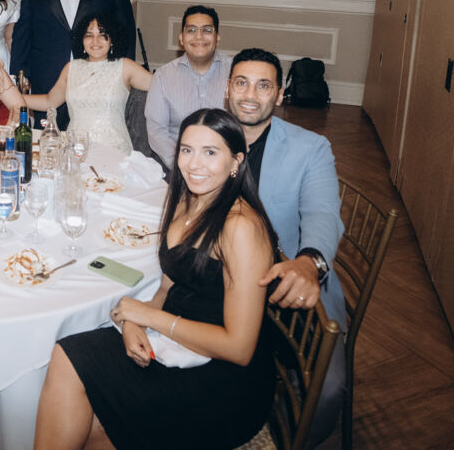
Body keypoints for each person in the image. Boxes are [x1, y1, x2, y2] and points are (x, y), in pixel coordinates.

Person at [34, 108, 278, 449]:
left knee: (87, 417)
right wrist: (134, 322)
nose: (194, 164)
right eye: (187, 150)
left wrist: (151, 319)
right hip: (176, 345)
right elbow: (166, 288)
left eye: (210, 152)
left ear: (236, 161)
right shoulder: (188, 200)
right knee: (67, 358)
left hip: (223, 381)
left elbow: (239, 349)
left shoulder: (241, 227)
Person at [227, 47, 347, 443]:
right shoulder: (209, 136)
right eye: (242, 83)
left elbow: (323, 214)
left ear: (280, 95)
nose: (250, 95)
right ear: (228, 88)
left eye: (264, 86)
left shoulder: (310, 148)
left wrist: (310, 263)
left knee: (327, 391)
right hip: (221, 282)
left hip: (284, 285)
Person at [10, 0, 135, 126]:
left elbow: (125, 29)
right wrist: (20, 75)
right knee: (48, 139)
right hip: (47, 78)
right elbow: (23, 32)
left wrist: (124, 74)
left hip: (98, 75)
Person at [23, 13, 152, 154]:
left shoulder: (125, 66)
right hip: (75, 148)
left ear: (112, 40)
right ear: (82, 40)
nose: (95, 41)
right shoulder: (71, 68)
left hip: (112, 150)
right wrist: (11, 95)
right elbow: (49, 102)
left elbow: (162, 87)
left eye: (102, 35)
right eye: (89, 35)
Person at [145, 6, 232, 167]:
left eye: (207, 30)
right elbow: (157, 131)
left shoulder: (235, 73)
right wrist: (181, 165)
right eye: (191, 30)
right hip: (176, 164)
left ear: (217, 37)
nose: (199, 36)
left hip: (225, 165)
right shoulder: (163, 77)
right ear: (181, 38)